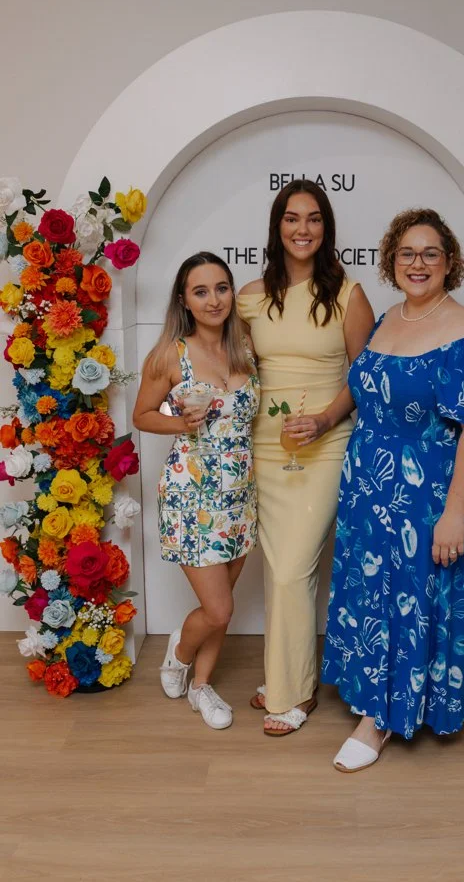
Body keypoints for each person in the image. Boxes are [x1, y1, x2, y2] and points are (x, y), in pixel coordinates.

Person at [295, 208, 464, 770]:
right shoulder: (388, 319)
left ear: (449, 263)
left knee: (408, 601)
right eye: (407, 253)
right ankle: (373, 693)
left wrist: (454, 514)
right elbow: (363, 385)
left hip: (427, 497)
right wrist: (322, 420)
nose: (419, 263)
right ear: (393, 261)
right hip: (369, 490)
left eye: (431, 253)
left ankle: (381, 721)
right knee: (372, 599)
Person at [237, 179, 374, 735]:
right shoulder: (249, 295)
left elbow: (363, 380)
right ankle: (287, 671)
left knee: (294, 567)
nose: (302, 229)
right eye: (292, 218)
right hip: (265, 446)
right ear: (277, 227)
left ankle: (294, 694)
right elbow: (234, 369)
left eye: (314, 219)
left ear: (326, 227)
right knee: (279, 569)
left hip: (325, 444)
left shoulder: (349, 293)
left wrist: (322, 419)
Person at [133, 252, 259, 730]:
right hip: (192, 495)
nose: (214, 299)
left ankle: (201, 687)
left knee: (222, 603)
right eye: (201, 291)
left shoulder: (246, 347)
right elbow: (141, 415)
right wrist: (178, 422)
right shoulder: (171, 354)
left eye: (222, 288)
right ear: (184, 300)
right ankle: (178, 655)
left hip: (241, 493)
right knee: (219, 606)